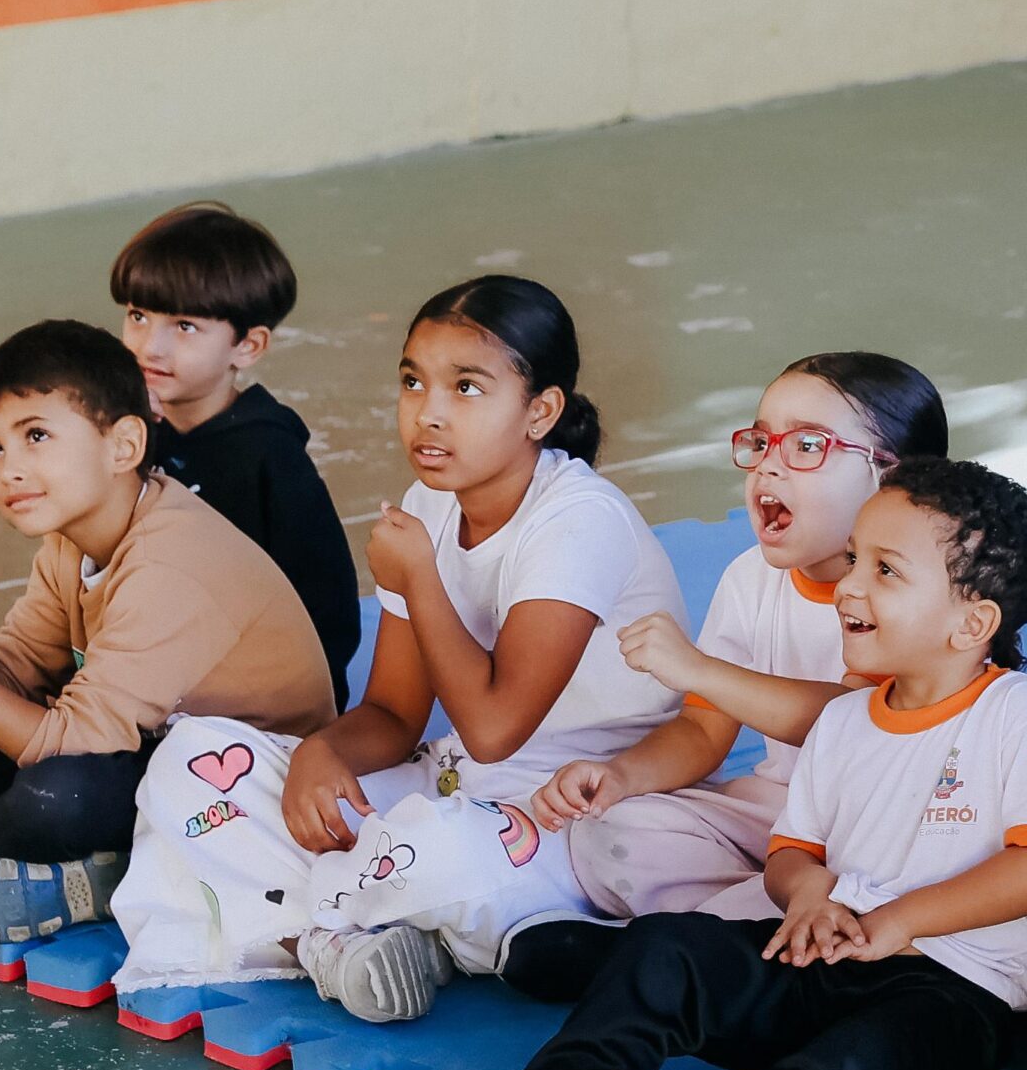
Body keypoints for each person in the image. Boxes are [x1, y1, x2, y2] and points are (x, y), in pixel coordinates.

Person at [416, 459, 1027, 1070]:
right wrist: (808, 892)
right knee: (664, 948)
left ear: (974, 622)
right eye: (855, 559)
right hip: (819, 953)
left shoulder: (1019, 713)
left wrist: (897, 923)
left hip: (948, 994)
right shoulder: (846, 719)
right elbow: (791, 850)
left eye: (886, 569)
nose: (849, 584)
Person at [109, 277, 683, 1021]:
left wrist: (419, 576)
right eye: (413, 381)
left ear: (541, 410)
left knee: (432, 853)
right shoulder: (430, 504)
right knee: (192, 758)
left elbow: (495, 725)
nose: (429, 412)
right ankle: (348, 939)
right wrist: (324, 754)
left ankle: (326, 926)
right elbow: (392, 711)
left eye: (467, 387)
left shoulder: (579, 522)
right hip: (457, 783)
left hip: (570, 817)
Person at [0, 321, 334, 943]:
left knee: (63, 794)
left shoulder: (170, 563)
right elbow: (14, 676)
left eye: (35, 436)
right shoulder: (72, 539)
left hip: (244, 799)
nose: (9, 469)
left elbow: (67, 749)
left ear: (123, 446)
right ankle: (79, 865)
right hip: (139, 760)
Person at [501, 354, 947, 1002]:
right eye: (762, 441)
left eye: (807, 446)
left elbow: (860, 719)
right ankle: (724, 939)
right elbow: (705, 727)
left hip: (881, 828)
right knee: (611, 833)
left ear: (893, 476)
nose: (769, 463)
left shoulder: (914, 596)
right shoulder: (749, 577)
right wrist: (621, 777)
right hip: (779, 812)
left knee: (873, 888)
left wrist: (698, 666)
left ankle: (665, 953)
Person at [114, 202, 363, 708]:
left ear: (248, 346)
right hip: (136, 678)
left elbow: (328, 617)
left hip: (248, 711)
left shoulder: (270, 456)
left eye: (184, 327)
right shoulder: (127, 434)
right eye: (138, 316)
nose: (149, 347)